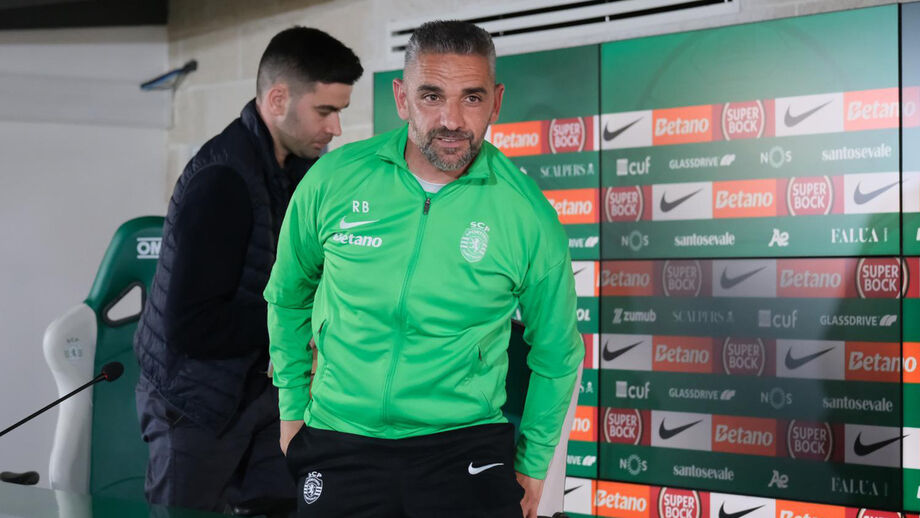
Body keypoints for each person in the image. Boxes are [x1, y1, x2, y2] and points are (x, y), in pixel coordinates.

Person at [264, 20, 583, 518]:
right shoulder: (333, 180)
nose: (452, 119)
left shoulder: (527, 216)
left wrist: (535, 465)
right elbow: (286, 294)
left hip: (463, 449)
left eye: (471, 98)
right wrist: (290, 410)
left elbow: (558, 352)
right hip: (340, 438)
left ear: (496, 102)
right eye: (432, 96)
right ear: (401, 98)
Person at [132, 27, 362, 513]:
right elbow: (193, 325)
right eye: (326, 110)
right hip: (193, 405)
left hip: (261, 396)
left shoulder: (298, 170)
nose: (336, 128)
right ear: (278, 98)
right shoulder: (222, 181)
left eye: (340, 110)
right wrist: (298, 319)